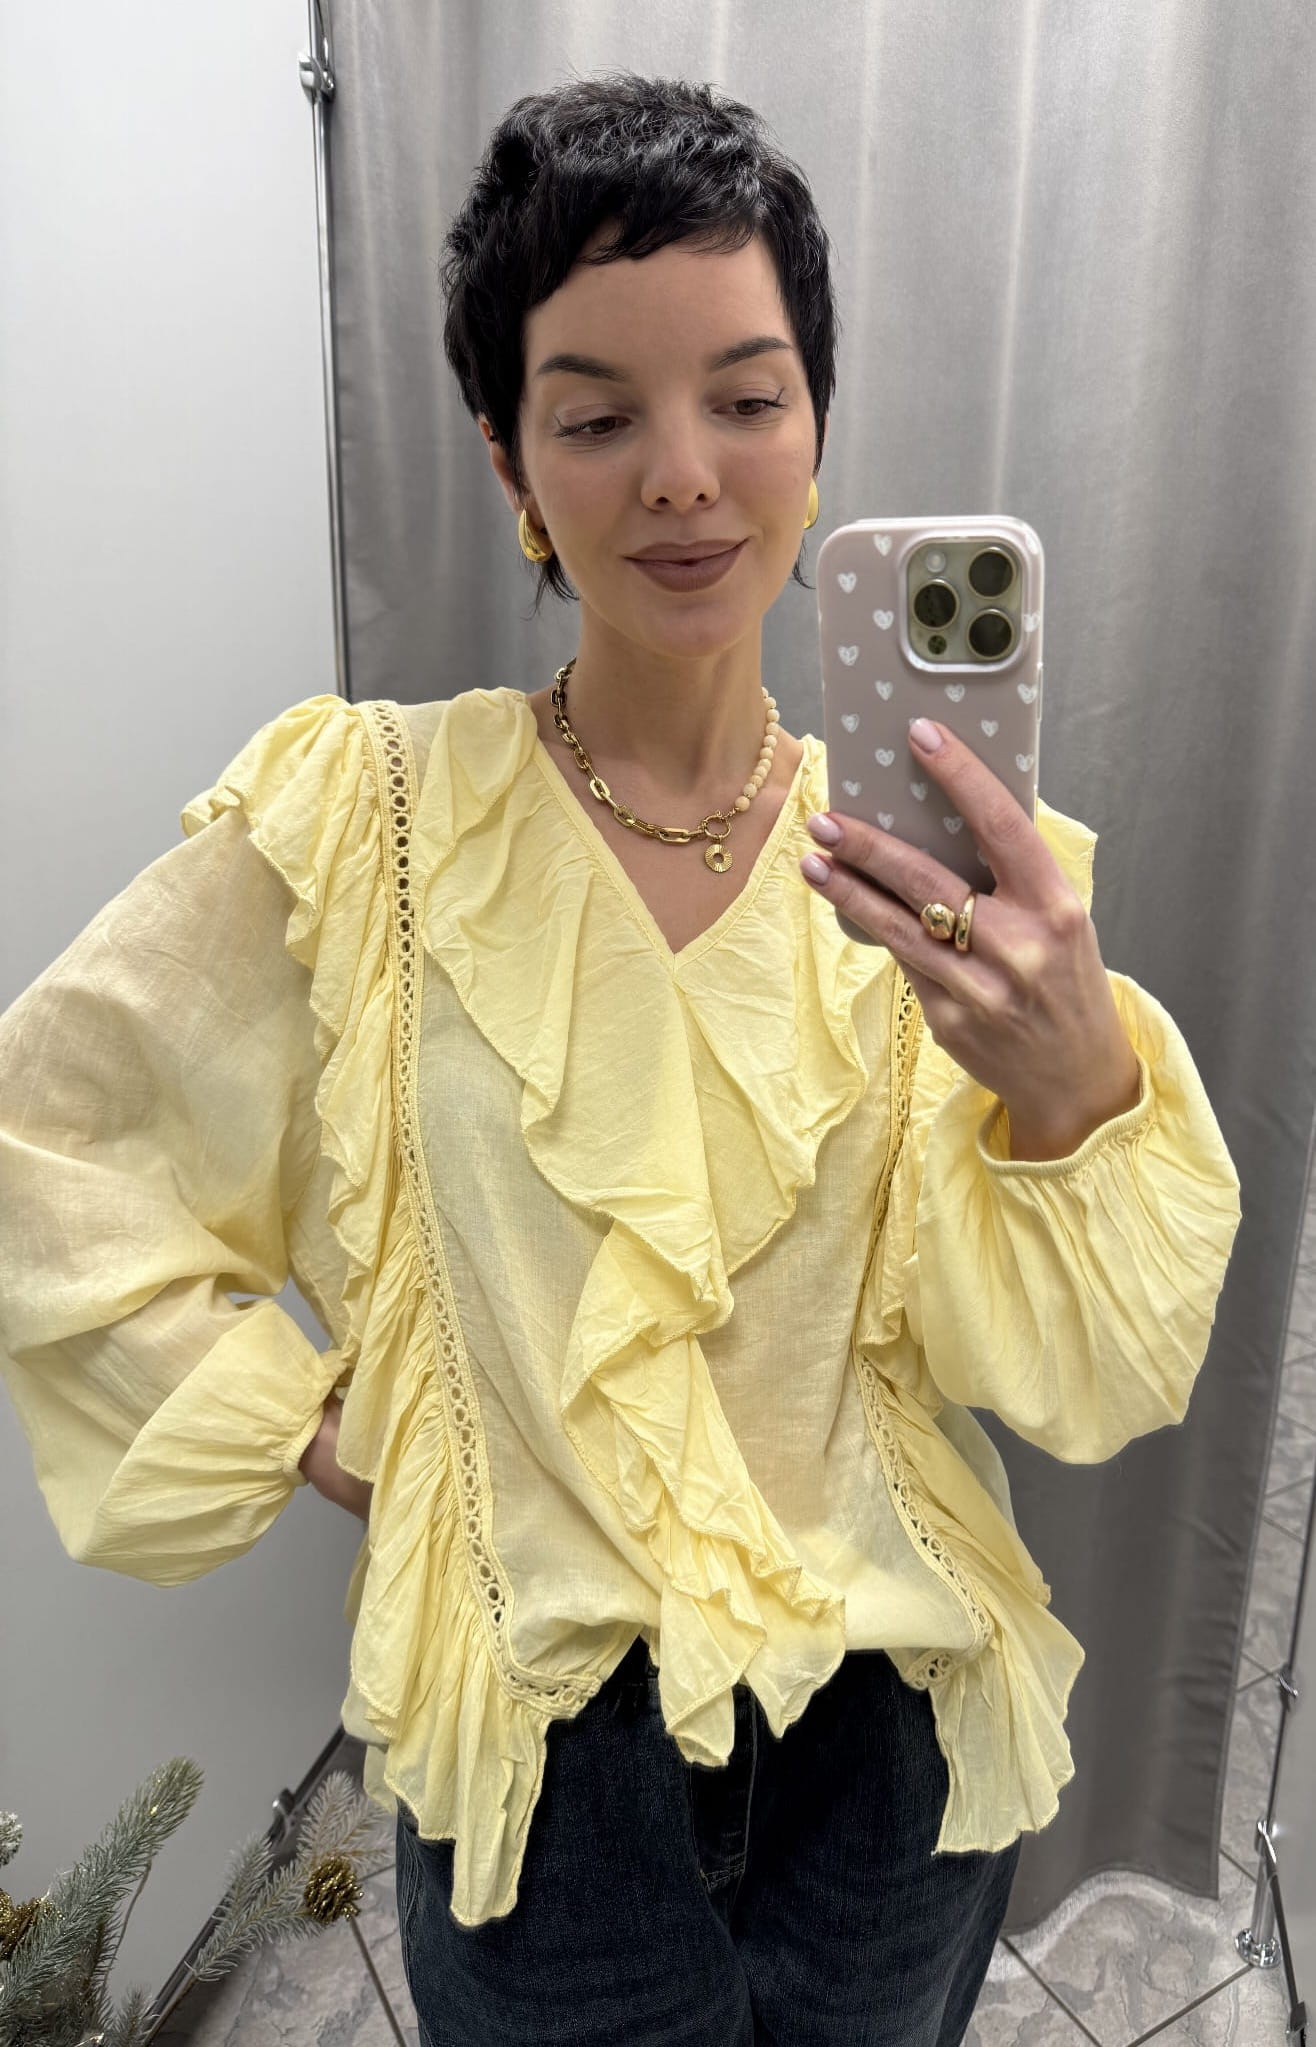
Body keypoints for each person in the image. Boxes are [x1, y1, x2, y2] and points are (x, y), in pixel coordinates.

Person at [0, 71, 1242, 2047]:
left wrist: (1073, 1085)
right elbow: (48, 1143)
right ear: (508, 457)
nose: (683, 475)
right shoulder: (369, 823)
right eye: (596, 416)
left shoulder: (944, 882)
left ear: (816, 430)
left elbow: (1083, 1385)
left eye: (747, 397)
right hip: (546, 1789)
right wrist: (318, 1426)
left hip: (894, 1773)